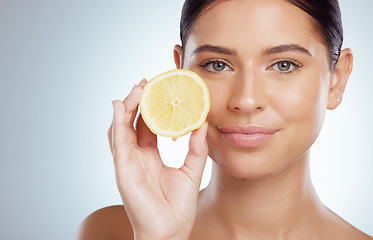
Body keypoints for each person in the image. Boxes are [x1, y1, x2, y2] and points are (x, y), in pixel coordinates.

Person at [76, 0, 373, 239]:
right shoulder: (109, 232)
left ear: (337, 80)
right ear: (182, 71)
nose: (245, 100)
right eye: (217, 65)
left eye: (284, 65)